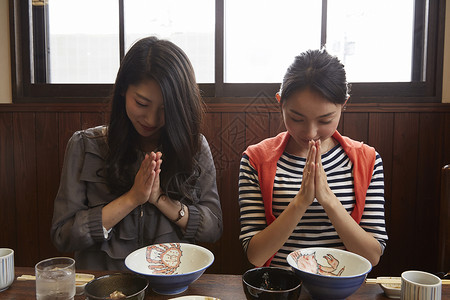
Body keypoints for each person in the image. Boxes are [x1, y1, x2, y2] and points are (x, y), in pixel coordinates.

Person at [51, 36, 223, 270]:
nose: (151, 119)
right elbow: (63, 235)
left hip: (171, 287)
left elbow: (213, 227)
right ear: (123, 90)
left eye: (165, 110)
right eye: (142, 104)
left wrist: (160, 199)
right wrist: (133, 198)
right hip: (103, 288)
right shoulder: (84, 146)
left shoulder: (194, 147)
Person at [238, 49, 388, 268]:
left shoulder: (368, 160)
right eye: (296, 118)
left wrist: (328, 199)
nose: (310, 132)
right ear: (280, 102)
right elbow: (256, 255)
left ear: (343, 105)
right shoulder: (255, 160)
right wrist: (301, 201)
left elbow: (372, 256)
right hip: (281, 287)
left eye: (325, 120)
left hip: (342, 288)